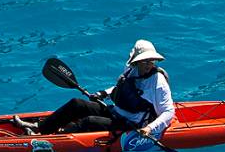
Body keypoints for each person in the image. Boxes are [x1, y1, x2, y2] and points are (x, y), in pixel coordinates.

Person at [13, 39, 176, 142]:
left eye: (151, 61)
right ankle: (39, 129)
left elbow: (168, 112)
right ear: (136, 62)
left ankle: (51, 139)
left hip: (132, 124)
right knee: (77, 104)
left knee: (89, 121)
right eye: (144, 61)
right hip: (116, 112)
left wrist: (149, 129)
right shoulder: (130, 69)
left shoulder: (158, 82)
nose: (148, 64)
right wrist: (103, 93)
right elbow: (124, 87)